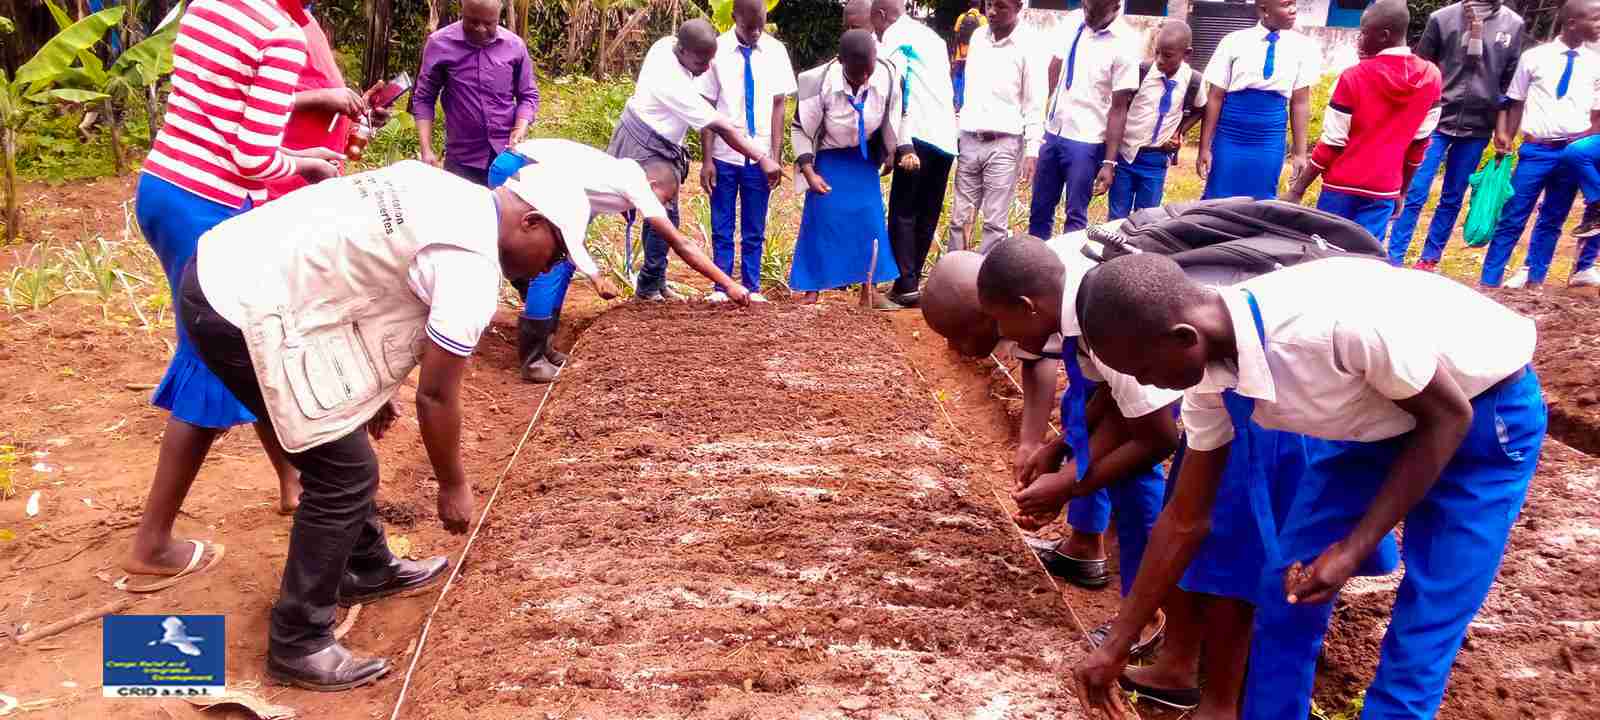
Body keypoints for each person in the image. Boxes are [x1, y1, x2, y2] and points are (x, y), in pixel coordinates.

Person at [1062, 253, 1544, 720]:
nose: (1149, 384)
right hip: (1377, 419)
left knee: (1428, 617)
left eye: (1144, 370)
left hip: (1484, 416)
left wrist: (1354, 548)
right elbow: (1185, 519)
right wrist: (1116, 646)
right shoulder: (1210, 376)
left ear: (1184, 337)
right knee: (1288, 589)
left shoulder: (1332, 328)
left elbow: (1448, 418)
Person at [182, 160, 592, 689]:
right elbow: (437, 394)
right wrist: (453, 485)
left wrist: (366, 391)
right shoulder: (470, 268)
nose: (547, 269)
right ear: (530, 222)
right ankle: (298, 640)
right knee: (343, 474)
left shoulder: (447, 191)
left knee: (340, 438)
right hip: (238, 305)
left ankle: (366, 565)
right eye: (556, 254)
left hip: (234, 265)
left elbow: (357, 273)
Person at [120, 0, 340, 591]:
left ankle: (293, 480)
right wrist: (307, 164)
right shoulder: (279, 34)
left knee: (249, 336)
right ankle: (153, 543)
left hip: (164, 187)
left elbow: (214, 109)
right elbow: (251, 159)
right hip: (208, 204)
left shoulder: (212, 5)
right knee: (212, 358)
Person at [938, 237, 1182, 657]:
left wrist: (1069, 486)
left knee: (1167, 491)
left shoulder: (1107, 313)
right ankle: (1095, 560)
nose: (1005, 339)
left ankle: (1154, 621)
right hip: (1160, 361)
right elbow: (1110, 395)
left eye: (999, 323)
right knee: (1092, 418)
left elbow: (1158, 436)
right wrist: (1055, 447)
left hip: (1246, 382)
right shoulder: (1049, 284)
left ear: (1023, 307)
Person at [486, 138, 753, 382]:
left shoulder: (623, 174)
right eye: (666, 199)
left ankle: (545, 347)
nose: (665, 207)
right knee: (553, 267)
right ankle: (533, 360)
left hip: (518, 160)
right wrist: (728, 284)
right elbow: (681, 244)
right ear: (652, 186)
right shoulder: (637, 185)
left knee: (561, 259)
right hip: (520, 166)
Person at [616, 19, 784, 301]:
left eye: (710, 59)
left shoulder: (665, 46)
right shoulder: (671, 83)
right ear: (682, 51)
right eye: (700, 61)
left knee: (665, 213)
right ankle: (648, 286)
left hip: (663, 144)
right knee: (663, 213)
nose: (706, 68)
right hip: (643, 142)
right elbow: (723, 128)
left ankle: (655, 280)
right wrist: (761, 157)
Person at [1281, 0, 1442, 241]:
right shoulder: (1432, 77)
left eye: (1364, 33)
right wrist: (1401, 191)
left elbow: (1332, 144)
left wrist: (1297, 189)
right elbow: (1419, 145)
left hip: (1341, 187)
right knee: (1365, 259)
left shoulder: (1353, 77)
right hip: (1385, 189)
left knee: (1326, 254)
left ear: (1383, 35)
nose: (1360, 38)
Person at [1385, 0, 1523, 270]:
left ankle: (1429, 259)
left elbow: (1507, 84)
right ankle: (1394, 257)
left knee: (1452, 196)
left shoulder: (1513, 24)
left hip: (1478, 126)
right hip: (1435, 120)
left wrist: (1503, 129)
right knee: (1414, 190)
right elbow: (1420, 69)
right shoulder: (1442, 18)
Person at [1481, 0, 1600, 289]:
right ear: (1572, 22)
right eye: (1595, 19)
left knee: (1552, 219)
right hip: (1536, 151)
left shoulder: (1597, 64)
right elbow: (1516, 100)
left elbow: (1597, 113)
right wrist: (1506, 137)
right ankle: (1489, 281)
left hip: (1572, 154)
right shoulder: (1534, 58)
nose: (1599, 26)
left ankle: (1536, 280)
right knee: (1513, 215)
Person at [788, 29, 908, 303]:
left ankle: (870, 290)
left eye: (869, 71)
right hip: (829, 156)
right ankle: (812, 288)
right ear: (840, 62)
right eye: (857, 74)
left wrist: (893, 150)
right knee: (820, 219)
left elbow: (897, 115)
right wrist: (809, 172)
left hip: (863, 157)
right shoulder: (817, 83)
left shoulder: (888, 76)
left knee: (870, 220)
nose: (864, 78)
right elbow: (800, 129)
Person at [698, 0, 796, 304]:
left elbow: (779, 106)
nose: (756, 33)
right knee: (722, 225)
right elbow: (706, 109)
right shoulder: (715, 51)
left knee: (755, 227)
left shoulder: (776, 52)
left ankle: (752, 287)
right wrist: (707, 159)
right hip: (724, 156)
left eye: (761, 25)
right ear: (735, 17)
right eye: (749, 27)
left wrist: (776, 156)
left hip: (761, 154)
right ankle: (722, 286)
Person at [872, 0, 959, 309]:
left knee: (903, 212)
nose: (875, 31)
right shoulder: (932, 38)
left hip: (916, 136)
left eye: (874, 23)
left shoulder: (895, 37)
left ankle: (905, 284)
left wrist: (899, 142)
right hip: (946, 138)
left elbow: (897, 89)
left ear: (882, 15)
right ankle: (911, 280)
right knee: (927, 212)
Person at [1030, 0, 1139, 237]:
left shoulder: (1127, 43)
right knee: (1039, 209)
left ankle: (1068, 270)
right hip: (1053, 131)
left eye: (1095, 13)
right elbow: (1054, 69)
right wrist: (1037, 121)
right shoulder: (1071, 22)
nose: (1087, 16)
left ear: (1115, 7)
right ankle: (1032, 266)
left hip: (1086, 140)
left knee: (1075, 216)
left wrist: (1109, 162)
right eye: (1086, 8)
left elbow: (1119, 107)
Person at [946, 0, 1044, 253]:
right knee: (960, 219)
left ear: (1019, 7)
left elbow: (1035, 101)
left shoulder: (1031, 44)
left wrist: (1032, 151)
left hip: (1005, 143)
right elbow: (969, 89)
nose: (992, 12)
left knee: (994, 222)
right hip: (970, 139)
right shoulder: (978, 37)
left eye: (1001, 7)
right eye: (989, 4)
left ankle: (985, 286)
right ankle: (954, 279)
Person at [264, 9, 392, 202]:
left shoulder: (305, 19)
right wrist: (321, 98)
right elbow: (244, 101)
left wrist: (358, 112)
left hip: (316, 187)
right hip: (277, 188)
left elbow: (315, 86)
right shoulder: (260, 16)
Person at [1198, 0, 1319, 201]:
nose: (1293, 10)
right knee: (1218, 198)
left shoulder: (1303, 47)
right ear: (1264, 10)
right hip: (1230, 134)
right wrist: (1204, 147)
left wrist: (1300, 153)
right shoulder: (1234, 41)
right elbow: (1215, 97)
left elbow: (1300, 102)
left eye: (1294, 3)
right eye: (1286, 4)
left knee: (1260, 200)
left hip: (1269, 138)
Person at [412, 0, 540, 186]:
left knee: (508, 213)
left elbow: (528, 95)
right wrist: (426, 149)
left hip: (508, 157)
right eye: (472, 22)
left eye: (489, 23)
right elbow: (424, 98)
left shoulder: (515, 46)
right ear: (462, 11)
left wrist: (519, 129)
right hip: (462, 160)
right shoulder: (440, 43)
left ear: (498, 17)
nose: (480, 29)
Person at [1107, 21, 1205, 221]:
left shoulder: (1193, 81)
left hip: (1156, 159)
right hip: (1126, 154)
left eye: (1167, 56)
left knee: (1148, 217)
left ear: (1186, 54)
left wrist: (1180, 131)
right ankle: (1113, 250)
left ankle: (1139, 251)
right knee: (1117, 215)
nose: (1159, 60)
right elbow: (1118, 108)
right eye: (1157, 52)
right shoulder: (1140, 72)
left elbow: (1201, 109)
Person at [950, 0, 986, 110]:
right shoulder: (982, 19)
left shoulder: (961, 17)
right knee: (971, 79)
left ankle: (957, 103)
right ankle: (967, 105)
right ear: (980, 5)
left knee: (958, 77)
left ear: (969, 5)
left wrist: (953, 54)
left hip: (959, 54)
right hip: (974, 56)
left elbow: (955, 36)